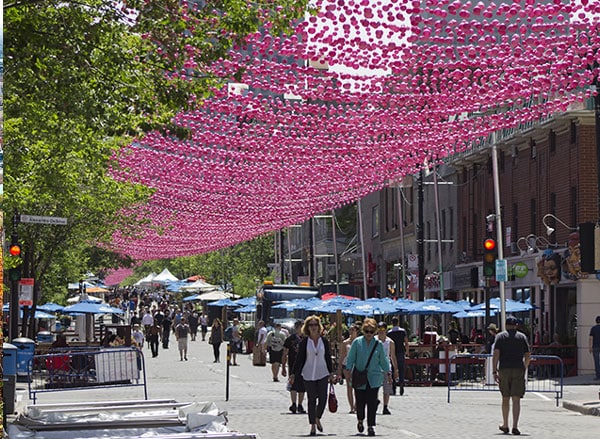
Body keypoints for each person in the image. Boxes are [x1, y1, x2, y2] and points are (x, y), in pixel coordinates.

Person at [290, 315, 334, 436]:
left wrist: (331, 373)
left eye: (315, 325)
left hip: (323, 373)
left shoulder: (324, 341)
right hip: (308, 374)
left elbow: (328, 357)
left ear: (319, 327)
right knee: (311, 400)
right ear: (307, 327)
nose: (313, 327)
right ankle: (313, 426)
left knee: (323, 399)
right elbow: (299, 359)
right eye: (311, 325)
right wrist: (293, 373)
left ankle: (317, 417)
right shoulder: (304, 342)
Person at [346, 317, 390, 437]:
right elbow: (351, 358)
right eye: (367, 331)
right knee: (360, 402)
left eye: (371, 331)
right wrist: (348, 370)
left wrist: (389, 372)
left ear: (375, 332)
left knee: (372, 402)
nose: (369, 334)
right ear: (363, 331)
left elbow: (383, 360)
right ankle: (360, 420)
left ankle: (371, 426)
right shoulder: (357, 342)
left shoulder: (378, 344)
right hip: (360, 376)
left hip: (374, 378)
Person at [492, 315, 531, 436]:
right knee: (516, 399)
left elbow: (496, 354)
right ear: (516, 325)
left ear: (506, 325)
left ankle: (505, 424)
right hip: (518, 368)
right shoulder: (522, 337)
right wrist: (524, 367)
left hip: (504, 369)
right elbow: (528, 355)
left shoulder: (500, 337)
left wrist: (494, 370)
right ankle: (515, 426)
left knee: (505, 398)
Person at [282, 320, 306, 414]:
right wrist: (283, 366)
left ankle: (300, 404)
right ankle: (294, 404)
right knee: (293, 385)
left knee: (302, 386)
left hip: (304, 365)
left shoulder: (306, 339)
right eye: (300, 327)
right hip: (293, 364)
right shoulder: (290, 339)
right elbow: (285, 353)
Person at [376, 322, 399, 415]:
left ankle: (385, 406)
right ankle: (375, 401)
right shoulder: (374, 340)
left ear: (386, 330)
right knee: (375, 387)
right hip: (375, 367)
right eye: (379, 329)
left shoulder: (390, 342)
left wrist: (396, 369)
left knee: (387, 388)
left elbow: (392, 356)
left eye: (383, 329)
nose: (381, 331)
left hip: (386, 367)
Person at [338, 322, 360, 412]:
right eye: (350, 329)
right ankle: (351, 407)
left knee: (358, 387)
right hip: (347, 366)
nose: (351, 331)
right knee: (349, 386)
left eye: (353, 330)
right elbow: (342, 355)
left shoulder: (360, 342)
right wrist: (339, 368)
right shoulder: (345, 342)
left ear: (356, 331)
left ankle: (356, 405)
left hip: (358, 366)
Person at [386, 316, 409, 396]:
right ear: (398, 322)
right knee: (401, 368)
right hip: (401, 352)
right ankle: (402, 383)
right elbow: (406, 342)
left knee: (393, 369)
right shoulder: (403, 331)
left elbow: (388, 343)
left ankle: (394, 386)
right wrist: (407, 351)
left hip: (393, 352)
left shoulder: (389, 332)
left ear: (392, 323)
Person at [589, 315, 600, 380]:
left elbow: (590, 338)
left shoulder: (593, 328)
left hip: (595, 346)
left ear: (596, 321)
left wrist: (590, 347)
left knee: (596, 362)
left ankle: (598, 376)